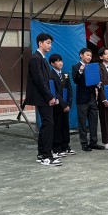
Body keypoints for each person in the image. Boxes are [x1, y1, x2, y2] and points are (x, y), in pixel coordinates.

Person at [24, 33, 61, 166]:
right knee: (48, 124)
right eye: (48, 43)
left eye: (51, 43)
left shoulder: (42, 59)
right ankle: (46, 156)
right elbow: (39, 81)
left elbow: (47, 81)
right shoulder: (36, 59)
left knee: (47, 124)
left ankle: (41, 154)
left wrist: (53, 96)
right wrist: (49, 97)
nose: (50, 45)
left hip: (46, 97)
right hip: (42, 98)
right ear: (40, 43)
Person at [72, 48, 105, 152]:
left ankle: (93, 142)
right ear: (81, 55)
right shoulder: (76, 67)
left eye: (90, 56)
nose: (89, 57)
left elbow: (94, 81)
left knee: (94, 121)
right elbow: (76, 80)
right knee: (82, 122)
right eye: (87, 55)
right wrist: (81, 71)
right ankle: (84, 143)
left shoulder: (92, 67)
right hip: (82, 99)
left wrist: (98, 84)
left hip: (92, 98)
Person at [48, 53, 75, 157]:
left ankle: (66, 146)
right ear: (52, 63)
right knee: (57, 126)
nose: (60, 63)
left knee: (65, 126)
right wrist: (63, 105)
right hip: (57, 106)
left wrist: (68, 105)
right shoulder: (50, 75)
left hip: (66, 106)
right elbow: (55, 92)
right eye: (57, 61)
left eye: (61, 61)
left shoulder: (65, 74)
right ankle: (56, 148)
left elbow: (69, 90)